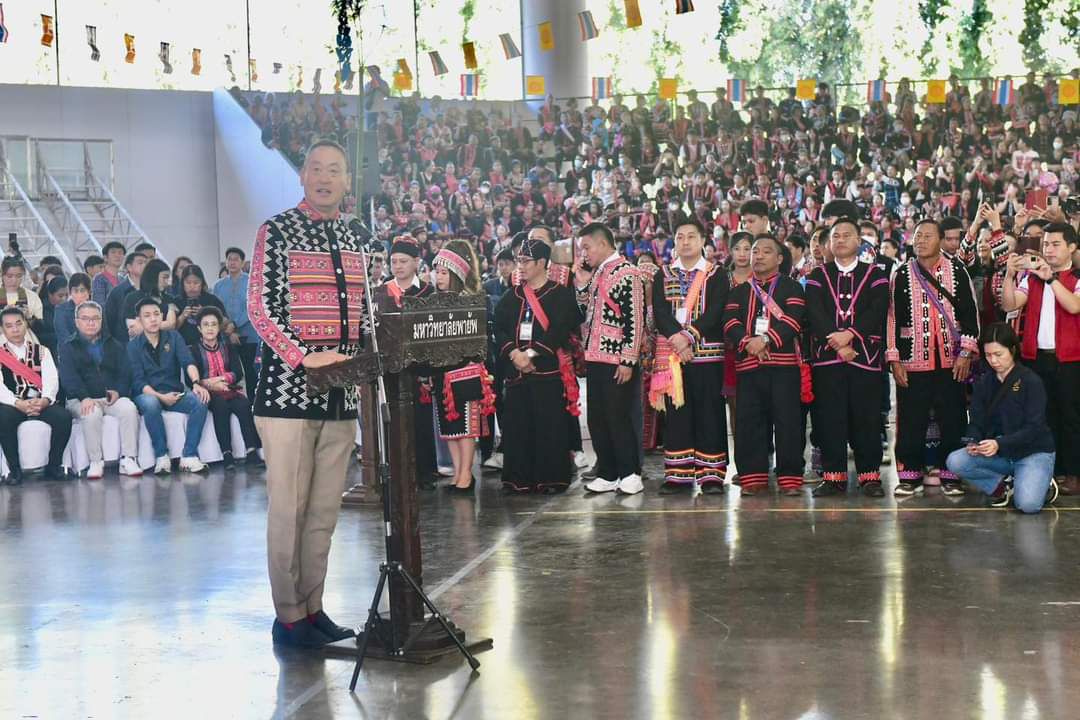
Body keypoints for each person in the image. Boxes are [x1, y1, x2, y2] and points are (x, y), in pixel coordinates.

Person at [247, 139, 364, 648]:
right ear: (302, 176)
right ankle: (288, 614)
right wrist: (302, 356)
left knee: (323, 511)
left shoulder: (360, 236)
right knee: (289, 506)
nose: (323, 177)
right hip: (287, 393)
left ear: (347, 181)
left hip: (342, 395)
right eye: (315, 168)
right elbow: (259, 308)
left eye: (334, 170)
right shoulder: (276, 231)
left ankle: (314, 606)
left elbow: (371, 312)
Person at [887, 219, 980, 497]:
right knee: (910, 418)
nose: (921, 241)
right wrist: (894, 360)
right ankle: (910, 475)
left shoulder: (957, 271)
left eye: (927, 236)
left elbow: (969, 313)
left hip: (951, 361)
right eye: (917, 236)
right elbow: (891, 318)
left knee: (953, 417)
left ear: (941, 240)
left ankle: (952, 474)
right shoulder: (901, 274)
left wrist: (966, 352)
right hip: (912, 360)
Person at [805, 218, 890, 498]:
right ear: (829, 243)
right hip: (828, 359)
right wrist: (837, 341)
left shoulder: (876, 274)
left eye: (846, 235)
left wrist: (851, 333)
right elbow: (814, 312)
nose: (840, 240)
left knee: (866, 417)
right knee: (829, 418)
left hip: (864, 357)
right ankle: (833, 477)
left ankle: (870, 477)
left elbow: (877, 310)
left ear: (858, 241)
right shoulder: (817, 275)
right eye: (835, 236)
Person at [649, 216, 730, 494]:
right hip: (674, 357)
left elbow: (717, 311)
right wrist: (676, 338)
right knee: (677, 414)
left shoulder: (716, 274)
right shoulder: (664, 273)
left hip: (708, 356)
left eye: (691, 237)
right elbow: (660, 311)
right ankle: (679, 475)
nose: (685, 242)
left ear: (703, 241)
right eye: (680, 237)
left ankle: (711, 476)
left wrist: (689, 336)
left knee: (710, 414)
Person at [494, 236, 580, 493]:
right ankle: (518, 478)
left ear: (542, 263)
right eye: (518, 260)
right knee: (518, 426)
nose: (520, 265)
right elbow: (499, 327)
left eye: (525, 260)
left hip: (547, 369)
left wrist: (529, 355)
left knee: (549, 426)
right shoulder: (513, 295)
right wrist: (514, 355)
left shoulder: (560, 294)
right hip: (516, 370)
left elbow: (560, 330)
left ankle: (551, 478)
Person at [723, 234, 806, 496]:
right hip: (749, 366)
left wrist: (766, 340)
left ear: (780, 258)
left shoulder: (792, 287)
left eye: (765, 252)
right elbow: (730, 322)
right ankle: (753, 477)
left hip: (784, 367)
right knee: (750, 422)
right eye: (755, 252)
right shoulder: (740, 290)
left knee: (788, 422)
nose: (757, 256)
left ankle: (790, 477)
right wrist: (748, 343)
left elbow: (795, 319)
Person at [1000, 222, 1080, 494]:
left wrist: (1051, 278)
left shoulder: (1077, 277)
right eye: (1045, 244)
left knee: (1071, 417)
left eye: (1055, 243)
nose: (1049, 249)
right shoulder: (1030, 277)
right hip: (1036, 357)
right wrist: (1010, 276)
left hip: (1071, 359)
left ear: (1072, 247)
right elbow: (1010, 305)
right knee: (1041, 417)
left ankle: (1073, 473)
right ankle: (1050, 471)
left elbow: (1074, 305)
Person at [946, 323, 1056, 512]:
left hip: (1032, 452)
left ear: (1012, 350)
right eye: (988, 355)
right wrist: (973, 441)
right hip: (1000, 453)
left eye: (999, 354)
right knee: (955, 461)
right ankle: (1001, 486)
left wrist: (999, 444)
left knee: (1028, 506)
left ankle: (1044, 484)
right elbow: (976, 421)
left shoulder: (1031, 381)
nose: (993, 361)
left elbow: (1035, 428)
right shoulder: (984, 382)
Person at [574, 222, 645, 495]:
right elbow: (585, 313)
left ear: (603, 244)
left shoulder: (628, 273)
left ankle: (630, 472)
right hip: (595, 356)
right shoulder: (598, 273)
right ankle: (608, 471)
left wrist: (628, 360)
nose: (584, 254)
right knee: (599, 418)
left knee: (619, 417)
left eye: (587, 247)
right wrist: (581, 284)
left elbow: (635, 319)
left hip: (616, 359)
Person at [373, 234, 438, 488]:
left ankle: (424, 473)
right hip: (390, 367)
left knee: (420, 421)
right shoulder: (381, 292)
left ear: (416, 262)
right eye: (394, 261)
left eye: (403, 261)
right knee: (393, 422)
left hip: (418, 367)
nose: (397, 266)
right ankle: (394, 472)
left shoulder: (428, 292)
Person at [431, 240, 494, 493]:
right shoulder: (434, 302)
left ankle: (466, 474)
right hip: (443, 372)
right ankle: (458, 473)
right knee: (450, 429)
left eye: (444, 272)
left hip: (465, 372)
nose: (438, 277)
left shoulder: (472, 301)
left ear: (456, 273)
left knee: (467, 428)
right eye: (437, 271)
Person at [58, 301, 142, 480]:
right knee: (91, 413)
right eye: (86, 319)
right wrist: (84, 397)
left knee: (128, 407)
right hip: (79, 399)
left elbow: (125, 373)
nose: (91, 323)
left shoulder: (114, 344)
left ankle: (129, 458)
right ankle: (96, 461)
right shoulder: (68, 346)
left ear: (101, 320)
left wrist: (119, 391)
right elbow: (68, 378)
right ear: (77, 321)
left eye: (95, 318)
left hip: (109, 398)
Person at [127, 297, 210, 475]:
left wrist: (196, 383)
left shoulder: (173, 337)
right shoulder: (133, 346)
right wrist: (161, 397)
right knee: (150, 403)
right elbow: (138, 381)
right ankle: (161, 456)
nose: (153, 319)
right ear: (139, 320)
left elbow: (188, 361)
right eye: (147, 316)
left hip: (174, 392)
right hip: (148, 394)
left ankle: (189, 455)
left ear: (162, 316)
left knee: (200, 401)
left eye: (157, 314)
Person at [0, 307, 71, 484]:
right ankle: (14, 469)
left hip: (40, 401)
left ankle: (54, 465)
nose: (15, 329)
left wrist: (45, 400)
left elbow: (52, 379)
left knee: (63, 417)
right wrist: (17, 403)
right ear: (2, 329)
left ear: (26, 324)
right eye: (9, 326)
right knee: (3, 418)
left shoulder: (42, 351)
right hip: (13, 404)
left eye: (19, 324)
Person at [188, 307, 262, 469]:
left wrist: (221, 380)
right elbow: (191, 380)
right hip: (209, 393)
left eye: (214, 324)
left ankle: (251, 451)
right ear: (199, 328)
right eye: (205, 325)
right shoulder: (193, 350)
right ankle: (227, 454)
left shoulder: (228, 347)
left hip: (229, 388)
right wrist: (209, 384)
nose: (210, 328)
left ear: (219, 327)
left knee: (243, 405)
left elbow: (237, 372)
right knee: (220, 405)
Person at [213, 247, 260, 397]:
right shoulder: (218, 285)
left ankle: (253, 404)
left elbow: (252, 306)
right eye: (229, 259)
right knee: (229, 372)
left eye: (236, 259)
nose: (232, 262)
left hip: (249, 335)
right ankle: (231, 401)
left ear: (242, 262)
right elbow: (217, 309)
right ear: (225, 262)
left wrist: (235, 324)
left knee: (251, 371)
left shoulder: (251, 282)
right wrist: (228, 328)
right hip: (225, 335)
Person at [122, 258, 178, 337]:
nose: (167, 282)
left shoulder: (169, 299)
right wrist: (164, 324)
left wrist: (145, 326)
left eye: (168, 278)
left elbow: (171, 324)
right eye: (164, 277)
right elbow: (135, 329)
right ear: (153, 276)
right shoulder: (132, 297)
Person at [175, 265, 227, 347]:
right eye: (188, 283)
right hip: (184, 347)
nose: (192, 286)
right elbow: (172, 328)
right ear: (182, 283)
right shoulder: (177, 301)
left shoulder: (211, 299)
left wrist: (205, 313)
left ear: (202, 283)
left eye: (196, 283)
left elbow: (225, 323)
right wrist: (182, 316)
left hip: (210, 347)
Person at [104, 251, 147, 345]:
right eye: (140, 263)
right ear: (129, 267)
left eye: (146, 263)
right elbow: (109, 320)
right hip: (124, 344)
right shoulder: (118, 292)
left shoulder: (151, 291)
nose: (145, 265)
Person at [53, 272, 91, 356]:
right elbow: (64, 338)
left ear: (89, 292)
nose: (79, 295)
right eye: (75, 291)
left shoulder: (97, 309)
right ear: (70, 293)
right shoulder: (61, 310)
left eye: (82, 290)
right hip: (70, 355)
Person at [1, 256, 44, 326]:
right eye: (9, 276)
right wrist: (3, 314)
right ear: (2, 275)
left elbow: (40, 326)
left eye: (18, 276)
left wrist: (29, 316)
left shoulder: (32, 297)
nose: (14, 280)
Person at [37, 276, 68, 357]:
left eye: (67, 295)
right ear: (50, 294)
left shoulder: (70, 308)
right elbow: (39, 336)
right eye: (60, 296)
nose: (64, 299)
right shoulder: (41, 310)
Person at [92, 241, 126, 305]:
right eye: (113, 252)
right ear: (105, 258)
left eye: (120, 253)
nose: (117, 255)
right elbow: (99, 304)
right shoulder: (99, 279)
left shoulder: (123, 280)